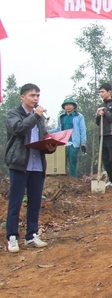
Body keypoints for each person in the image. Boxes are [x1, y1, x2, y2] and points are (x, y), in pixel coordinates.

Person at [5, 83, 55, 253]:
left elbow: (43, 136)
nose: (36, 99)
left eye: (38, 96)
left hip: (37, 165)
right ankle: (12, 237)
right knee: (16, 201)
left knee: (35, 202)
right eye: (32, 95)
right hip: (20, 164)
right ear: (23, 97)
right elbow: (18, 129)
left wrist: (51, 146)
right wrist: (35, 116)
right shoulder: (14, 114)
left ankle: (31, 235)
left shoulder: (39, 117)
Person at [52, 97, 87, 177]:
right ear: (64, 107)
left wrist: (83, 143)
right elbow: (58, 129)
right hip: (63, 142)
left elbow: (82, 129)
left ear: (74, 106)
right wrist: (47, 132)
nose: (68, 106)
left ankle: (73, 179)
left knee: (72, 161)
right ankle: (62, 179)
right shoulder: (61, 117)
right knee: (61, 161)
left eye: (70, 105)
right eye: (66, 105)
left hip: (74, 142)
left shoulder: (79, 116)